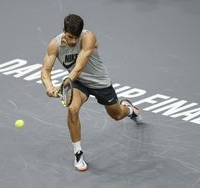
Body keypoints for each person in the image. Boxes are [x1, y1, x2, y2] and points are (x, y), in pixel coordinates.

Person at [41, 14, 143, 172]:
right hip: (79, 83)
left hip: (99, 82)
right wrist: (49, 86)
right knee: (72, 109)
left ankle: (129, 109)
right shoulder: (54, 45)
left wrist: (66, 81)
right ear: (63, 31)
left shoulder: (88, 38)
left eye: (76, 37)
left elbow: (79, 67)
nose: (74, 41)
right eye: (70, 37)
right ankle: (78, 153)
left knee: (116, 115)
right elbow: (45, 70)